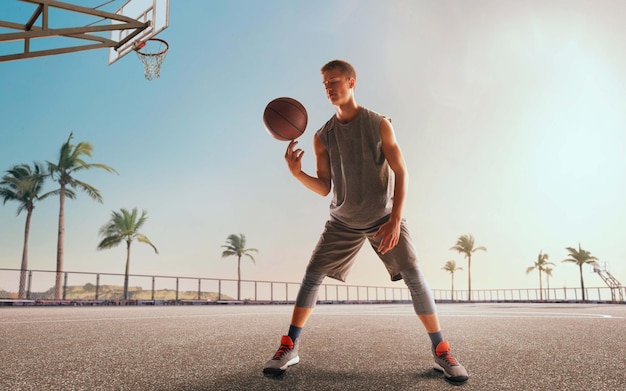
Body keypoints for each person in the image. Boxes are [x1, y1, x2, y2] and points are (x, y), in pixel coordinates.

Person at [262, 59, 468, 383]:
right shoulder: (322, 136)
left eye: (335, 82)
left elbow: (402, 172)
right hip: (342, 222)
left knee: (414, 276)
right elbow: (324, 187)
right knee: (312, 275)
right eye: (325, 85)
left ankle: (442, 350)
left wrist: (395, 218)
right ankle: (289, 346)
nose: (329, 89)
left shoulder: (379, 124)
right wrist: (296, 173)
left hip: (383, 218)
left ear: (351, 82)